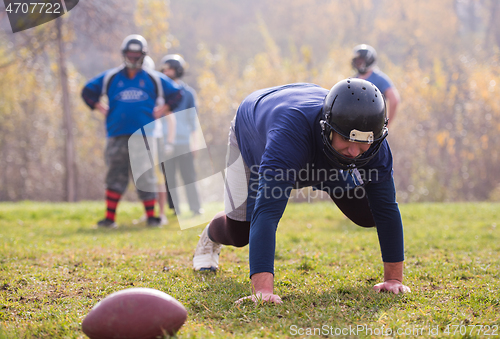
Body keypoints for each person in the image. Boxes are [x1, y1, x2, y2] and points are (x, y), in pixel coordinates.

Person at [192, 78, 410, 304]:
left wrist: (394, 280)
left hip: (321, 152)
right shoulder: (289, 132)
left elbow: (386, 208)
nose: (355, 151)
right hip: (253, 135)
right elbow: (267, 212)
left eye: (363, 142)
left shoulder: (371, 142)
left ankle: (334, 153)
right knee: (239, 233)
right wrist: (263, 290)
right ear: (328, 127)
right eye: (347, 139)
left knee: (369, 213)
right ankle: (210, 235)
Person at [81, 34, 182, 228]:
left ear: (143, 56)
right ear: (124, 54)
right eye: (130, 54)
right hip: (116, 134)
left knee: (145, 176)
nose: (133, 58)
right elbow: (87, 91)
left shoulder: (153, 78)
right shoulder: (111, 77)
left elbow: (177, 93)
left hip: (145, 135)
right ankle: (109, 219)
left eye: (137, 55)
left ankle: (152, 218)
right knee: (114, 175)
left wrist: (163, 109)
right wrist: (100, 107)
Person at [160, 54, 202, 217]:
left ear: (178, 70)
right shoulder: (161, 92)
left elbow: (193, 120)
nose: (166, 72)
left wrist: (195, 142)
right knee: (169, 177)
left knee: (189, 176)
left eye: (169, 68)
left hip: (184, 141)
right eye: (164, 69)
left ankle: (195, 207)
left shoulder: (188, 93)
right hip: (165, 141)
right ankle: (174, 208)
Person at [352, 44, 400, 127]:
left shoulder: (379, 78)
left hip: (373, 125)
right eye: (357, 61)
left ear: (368, 61)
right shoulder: (353, 79)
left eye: (360, 61)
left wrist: (386, 124)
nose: (358, 63)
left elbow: (394, 100)